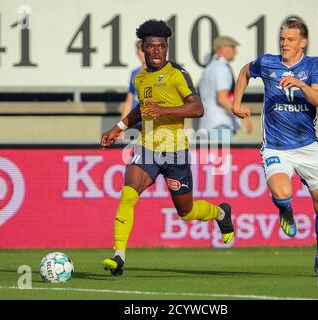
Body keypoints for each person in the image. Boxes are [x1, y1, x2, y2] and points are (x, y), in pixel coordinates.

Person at [100, 19, 235, 276]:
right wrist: (118, 127)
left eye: (162, 46)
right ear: (143, 48)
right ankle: (118, 256)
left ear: (167, 47)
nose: (157, 51)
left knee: (186, 212)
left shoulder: (177, 74)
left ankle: (220, 213)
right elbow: (142, 108)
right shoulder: (140, 78)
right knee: (129, 193)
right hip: (147, 146)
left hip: (175, 151)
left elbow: (197, 108)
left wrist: (164, 110)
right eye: (152, 46)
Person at [232, 18, 318, 276]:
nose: (284, 43)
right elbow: (245, 71)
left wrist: (300, 84)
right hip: (276, 147)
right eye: (282, 39)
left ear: (303, 42)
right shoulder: (268, 63)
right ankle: (286, 211)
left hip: (308, 147)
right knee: (281, 194)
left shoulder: (313, 65)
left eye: (290, 39)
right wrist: (236, 103)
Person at [198, 36, 252, 141]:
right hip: (220, 126)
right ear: (222, 49)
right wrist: (241, 117)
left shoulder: (208, 69)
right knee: (231, 157)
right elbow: (222, 98)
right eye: (232, 47)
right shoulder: (221, 68)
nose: (236, 51)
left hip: (207, 125)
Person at [119, 40, 146, 141]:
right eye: (139, 50)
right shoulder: (134, 73)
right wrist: (121, 128)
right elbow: (129, 101)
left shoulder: (158, 73)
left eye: (143, 50)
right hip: (134, 121)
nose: (140, 53)